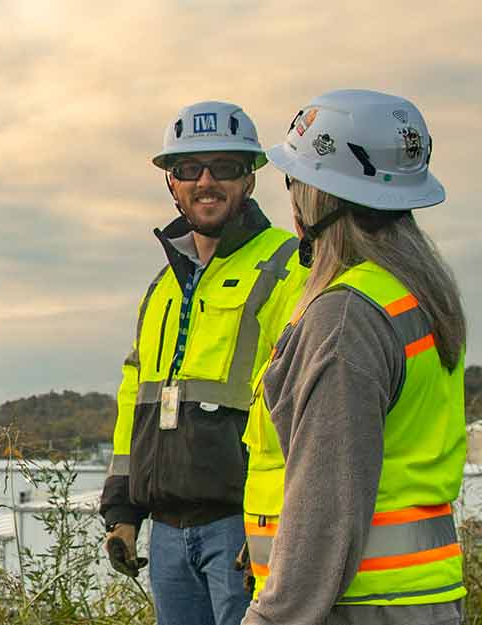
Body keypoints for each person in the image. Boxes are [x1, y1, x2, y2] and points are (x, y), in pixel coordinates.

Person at [242, 89, 467, 625]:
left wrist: (272, 616)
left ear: (320, 195)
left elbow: (328, 500)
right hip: (415, 599)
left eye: (293, 181)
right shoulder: (410, 293)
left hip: (356, 605)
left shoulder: (346, 316)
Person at [101, 101, 310, 625]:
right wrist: (123, 512)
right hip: (167, 536)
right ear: (172, 183)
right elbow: (136, 401)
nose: (206, 181)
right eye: (190, 169)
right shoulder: (162, 287)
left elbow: (308, 408)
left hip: (242, 528)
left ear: (252, 178)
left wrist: (275, 525)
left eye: (226, 167)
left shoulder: (288, 267)